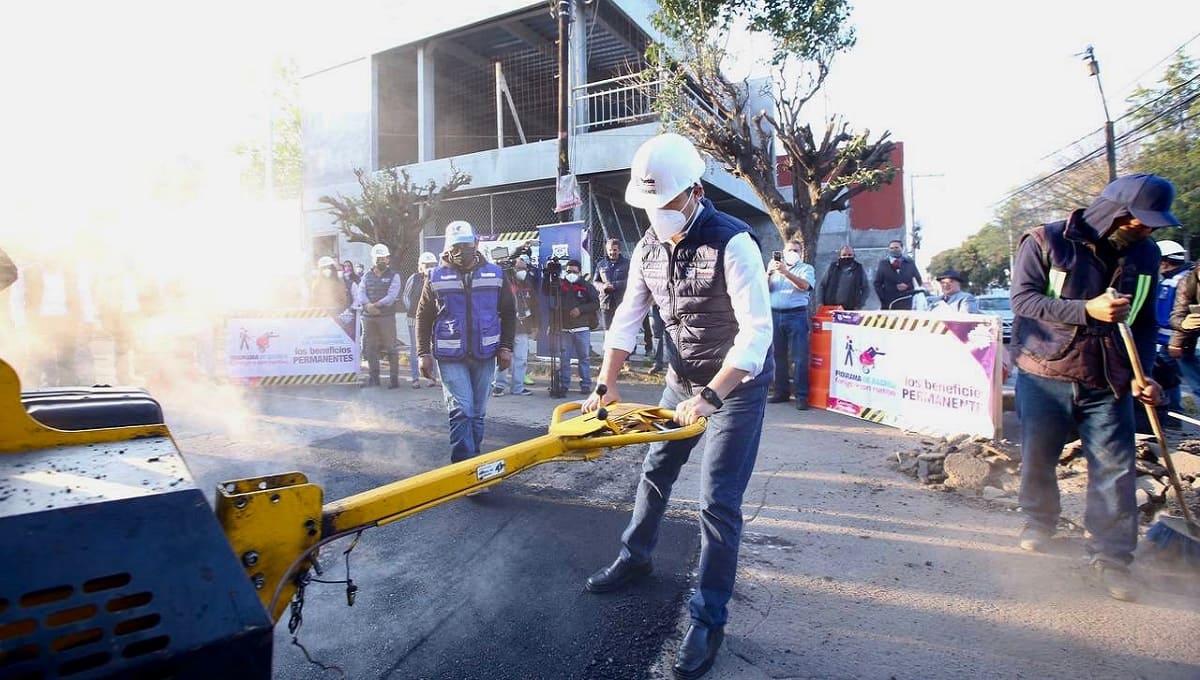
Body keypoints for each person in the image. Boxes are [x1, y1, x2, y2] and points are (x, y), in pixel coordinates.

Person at [582, 133, 773, 680]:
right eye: (648, 206)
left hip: (735, 388)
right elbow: (626, 317)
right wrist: (606, 382)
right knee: (656, 468)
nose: (656, 215)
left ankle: (708, 617)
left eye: (664, 204)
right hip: (680, 379)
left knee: (718, 500)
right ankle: (636, 555)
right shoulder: (645, 248)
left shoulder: (733, 242)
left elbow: (757, 335)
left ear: (692, 192)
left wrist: (712, 397)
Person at [1010, 174, 1177, 602]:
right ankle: (1039, 520)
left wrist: (1145, 373)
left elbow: (1142, 320)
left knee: (1115, 467)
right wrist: (1086, 309)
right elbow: (1024, 302)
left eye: (1152, 225)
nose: (1146, 230)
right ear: (1113, 211)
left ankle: (1113, 556)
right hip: (1045, 371)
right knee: (1039, 454)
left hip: (1110, 379)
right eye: (1139, 222)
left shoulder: (1146, 254)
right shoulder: (1045, 241)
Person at [415, 220, 516, 464]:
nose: (463, 250)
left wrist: (506, 347)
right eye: (457, 246)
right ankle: (464, 468)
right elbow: (423, 315)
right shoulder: (435, 276)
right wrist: (422, 353)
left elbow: (509, 312)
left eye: (467, 244)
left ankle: (474, 462)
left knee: (478, 414)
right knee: (462, 411)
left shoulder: (496, 274)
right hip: (451, 357)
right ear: (448, 248)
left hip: (485, 354)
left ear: (476, 243)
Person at [767, 240, 815, 409]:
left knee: (799, 357)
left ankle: (801, 395)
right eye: (789, 250)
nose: (792, 252)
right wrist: (768, 273)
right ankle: (781, 391)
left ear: (801, 253)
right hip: (775, 314)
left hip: (796, 315)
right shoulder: (774, 268)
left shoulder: (806, 269)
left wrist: (786, 273)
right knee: (777, 356)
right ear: (783, 251)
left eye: (796, 250)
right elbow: (764, 289)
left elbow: (804, 286)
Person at [1148, 240, 1189, 429]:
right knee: (1171, 381)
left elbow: (1166, 317)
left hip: (1173, 343)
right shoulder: (1182, 278)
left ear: (1164, 261)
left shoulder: (1175, 282)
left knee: (1173, 382)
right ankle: (1174, 418)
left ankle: (1173, 419)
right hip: (1173, 342)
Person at [354, 243, 403, 389]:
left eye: (383, 258)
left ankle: (394, 380)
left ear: (388, 259)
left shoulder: (394, 276)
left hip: (386, 317)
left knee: (391, 349)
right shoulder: (366, 276)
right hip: (369, 318)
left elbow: (392, 295)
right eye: (378, 258)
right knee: (371, 349)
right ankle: (374, 379)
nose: (380, 261)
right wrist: (368, 305)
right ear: (373, 259)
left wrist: (375, 305)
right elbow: (361, 293)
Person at [595, 238, 653, 355]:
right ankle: (609, 352)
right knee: (609, 329)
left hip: (623, 300)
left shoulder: (628, 263)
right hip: (606, 302)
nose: (612, 252)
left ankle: (635, 350)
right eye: (610, 250)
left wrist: (615, 285)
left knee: (626, 328)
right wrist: (603, 286)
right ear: (607, 250)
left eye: (615, 250)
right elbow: (595, 281)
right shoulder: (601, 264)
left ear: (619, 250)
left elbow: (633, 280)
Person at [493, 255, 539, 396]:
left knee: (521, 359)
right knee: (503, 355)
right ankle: (499, 385)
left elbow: (534, 305)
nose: (522, 271)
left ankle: (517, 387)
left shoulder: (527, 284)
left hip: (523, 326)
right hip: (506, 326)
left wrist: (535, 325)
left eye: (524, 269)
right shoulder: (504, 283)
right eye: (519, 268)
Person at [551, 259, 599, 395]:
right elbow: (547, 293)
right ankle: (564, 384)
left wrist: (581, 309)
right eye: (568, 271)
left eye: (574, 271)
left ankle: (585, 384)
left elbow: (596, 303)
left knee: (584, 358)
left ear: (579, 272)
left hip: (582, 328)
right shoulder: (560, 285)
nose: (571, 273)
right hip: (565, 329)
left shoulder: (586, 286)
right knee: (564, 359)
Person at [403, 251, 440, 388]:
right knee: (416, 349)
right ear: (420, 266)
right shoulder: (414, 278)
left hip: (434, 320)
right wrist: (414, 311)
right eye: (427, 264)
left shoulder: (437, 278)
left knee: (433, 349)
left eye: (433, 264)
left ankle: (432, 378)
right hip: (414, 320)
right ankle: (415, 378)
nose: (430, 267)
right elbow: (406, 296)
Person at [873, 240, 922, 310]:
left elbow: (918, 281)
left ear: (902, 248)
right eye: (891, 248)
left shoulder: (910, 263)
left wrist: (907, 286)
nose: (894, 250)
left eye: (896, 248)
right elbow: (877, 283)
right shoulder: (883, 264)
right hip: (889, 302)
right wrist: (883, 298)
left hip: (907, 301)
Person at [818, 245, 868, 310]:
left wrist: (860, 305)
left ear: (854, 256)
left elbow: (866, 288)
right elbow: (822, 286)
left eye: (850, 255)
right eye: (844, 255)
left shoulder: (859, 268)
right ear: (839, 256)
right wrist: (820, 302)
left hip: (851, 309)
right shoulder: (832, 267)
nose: (847, 257)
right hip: (831, 308)